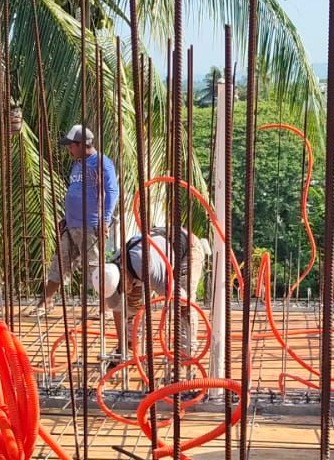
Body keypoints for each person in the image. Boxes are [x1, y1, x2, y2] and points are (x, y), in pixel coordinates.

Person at [40, 124, 119, 314]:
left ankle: (107, 307)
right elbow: (76, 193)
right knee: (60, 263)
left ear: (83, 144)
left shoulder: (101, 163)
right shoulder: (77, 164)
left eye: (71, 145)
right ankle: (46, 302)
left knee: (95, 268)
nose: (69, 149)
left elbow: (111, 191)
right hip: (72, 225)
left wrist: (104, 221)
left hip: (91, 225)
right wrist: (66, 218)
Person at [111, 228, 208, 361]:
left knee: (183, 307)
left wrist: (177, 298)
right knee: (131, 304)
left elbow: (183, 298)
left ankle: (186, 355)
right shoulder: (108, 276)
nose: (123, 291)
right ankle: (129, 347)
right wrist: (122, 349)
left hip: (187, 248)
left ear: (124, 275)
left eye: (122, 287)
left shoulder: (146, 267)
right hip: (157, 249)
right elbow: (118, 310)